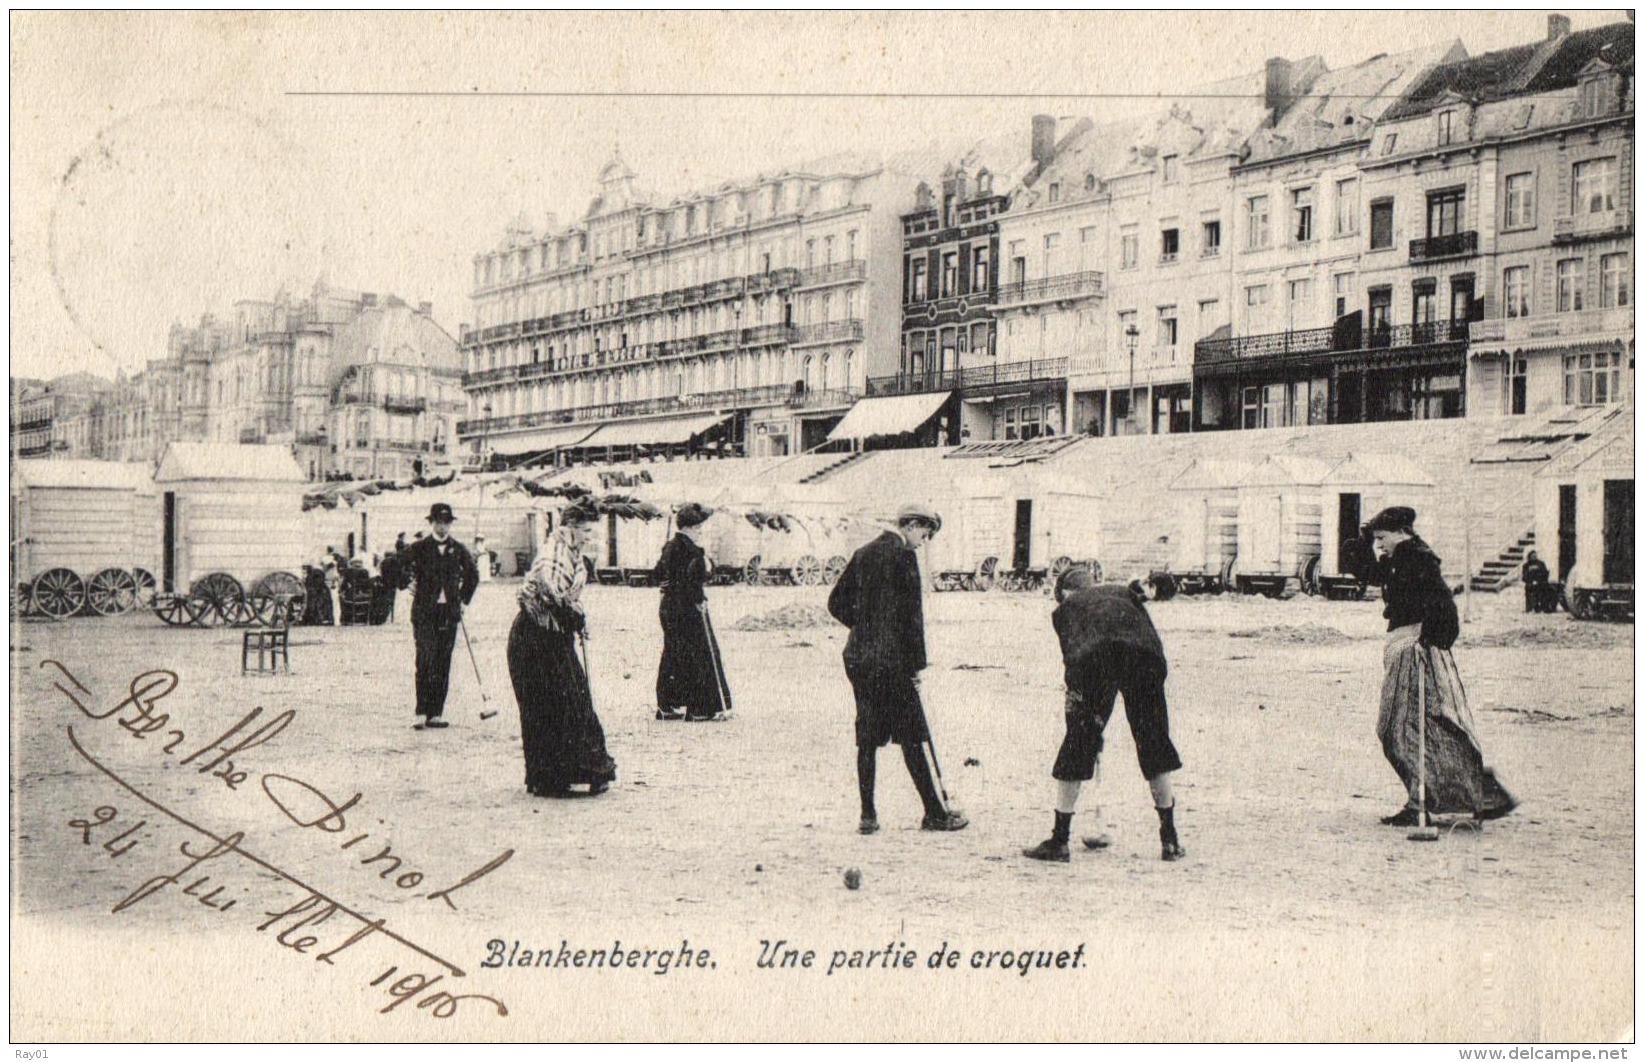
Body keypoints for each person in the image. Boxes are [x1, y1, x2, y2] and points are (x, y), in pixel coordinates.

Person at [1362, 506, 1516, 825]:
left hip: (1416, 648)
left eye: (1381, 537)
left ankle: (1438, 800)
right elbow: (1368, 573)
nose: (1379, 545)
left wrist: (1429, 638)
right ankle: (1462, 796)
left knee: (1399, 727)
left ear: (1401, 533)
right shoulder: (1402, 557)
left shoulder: (1416, 558)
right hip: (1410, 645)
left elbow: (1442, 604)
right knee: (1424, 724)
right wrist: (1361, 541)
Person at [1023, 567, 1186, 864]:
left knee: (1077, 744)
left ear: (1064, 593)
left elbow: (1073, 661)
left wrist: (1084, 724)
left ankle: (1059, 841)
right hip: (1146, 659)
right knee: (1153, 741)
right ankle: (1170, 839)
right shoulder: (1121, 590)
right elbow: (1152, 590)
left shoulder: (1064, 610)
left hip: (1093, 661)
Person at [826, 503, 967, 834]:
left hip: (859, 658)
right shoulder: (904, 557)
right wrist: (916, 663)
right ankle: (934, 813)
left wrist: (864, 628)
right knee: (912, 735)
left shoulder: (863, 553)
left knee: (867, 737)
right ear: (912, 526)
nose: (924, 541)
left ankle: (868, 816)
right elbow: (912, 619)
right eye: (925, 533)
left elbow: (835, 603)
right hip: (893, 663)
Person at [508, 499, 616, 796]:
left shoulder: (572, 552)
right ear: (569, 527)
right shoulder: (554, 551)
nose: (588, 537)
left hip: (553, 635)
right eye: (585, 530)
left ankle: (577, 771)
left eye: (591, 531)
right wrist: (570, 615)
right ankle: (549, 777)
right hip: (535, 637)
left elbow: (566, 598)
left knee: (573, 700)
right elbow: (547, 592)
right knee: (550, 704)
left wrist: (575, 616)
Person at [397, 503, 480, 731]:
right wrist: (406, 582)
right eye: (438, 522)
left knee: (443, 661)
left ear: (450, 524)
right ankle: (421, 711)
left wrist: (462, 601)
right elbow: (393, 565)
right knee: (425, 659)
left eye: (446, 522)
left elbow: (473, 575)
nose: (442, 526)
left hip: (449, 613)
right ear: (431, 523)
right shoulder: (420, 547)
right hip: (424, 612)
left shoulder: (458, 549)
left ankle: (436, 713)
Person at [653, 502, 733, 721]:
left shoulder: (669, 546)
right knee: (699, 654)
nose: (700, 532)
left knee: (673, 652)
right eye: (698, 528)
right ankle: (700, 708)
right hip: (688, 607)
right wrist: (698, 599)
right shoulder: (691, 550)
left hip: (669, 607)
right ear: (688, 527)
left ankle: (667, 705)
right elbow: (693, 580)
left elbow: (658, 573)